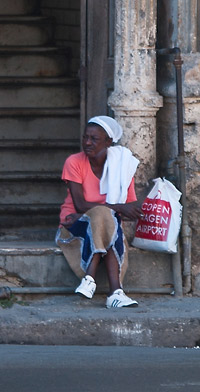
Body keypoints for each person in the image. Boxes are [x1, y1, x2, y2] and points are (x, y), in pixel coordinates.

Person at [57, 115, 142, 308]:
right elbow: (79, 205)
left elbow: (129, 209)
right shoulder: (75, 162)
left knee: (104, 217)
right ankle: (116, 292)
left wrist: (102, 211)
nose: (87, 143)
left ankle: (89, 279)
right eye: (85, 137)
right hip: (74, 223)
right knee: (103, 216)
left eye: (94, 139)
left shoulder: (123, 166)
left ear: (108, 142)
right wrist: (116, 209)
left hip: (104, 224)